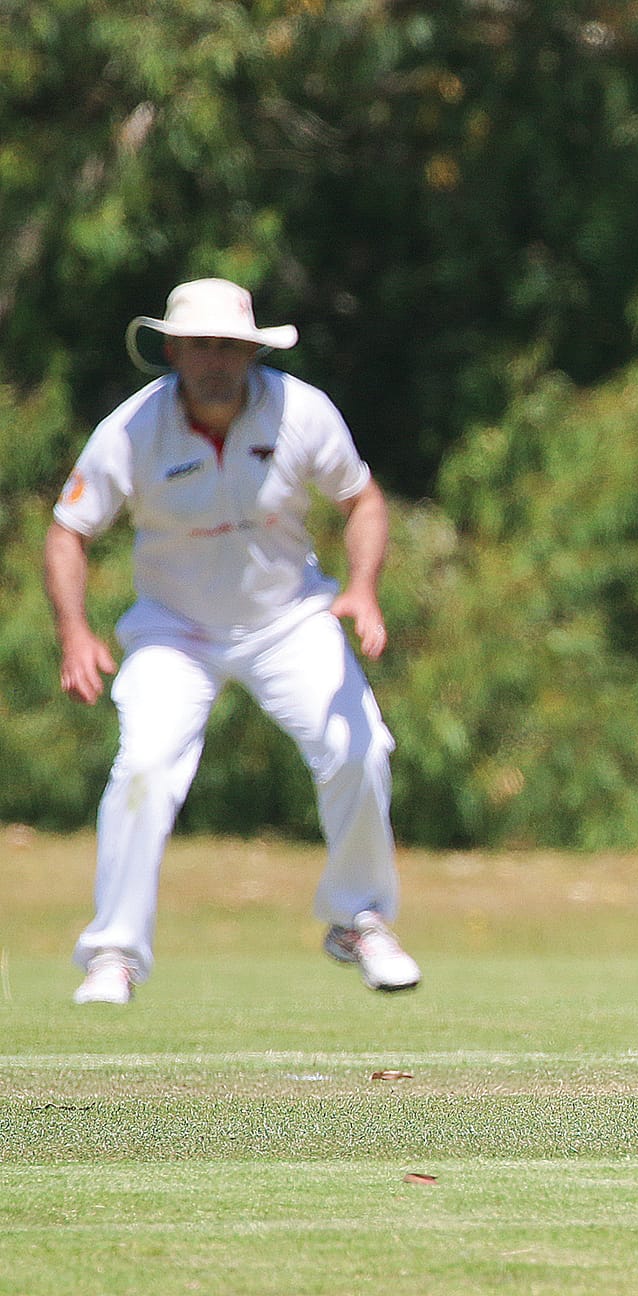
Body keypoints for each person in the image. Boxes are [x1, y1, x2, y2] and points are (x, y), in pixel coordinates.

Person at [44, 277, 420, 1006]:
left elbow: (361, 499)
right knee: (145, 768)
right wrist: (74, 632)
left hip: (288, 617)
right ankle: (114, 954)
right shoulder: (131, 430)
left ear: (252, 351)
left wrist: (363, 587)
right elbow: (69, 531)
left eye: (231, 347)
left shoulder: (301, 411)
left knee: (359, 747)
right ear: (174, 350)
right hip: (174, 628)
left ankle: (358, 918)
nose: (217, 361)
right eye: (202, 346)